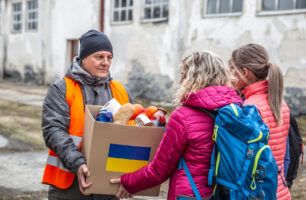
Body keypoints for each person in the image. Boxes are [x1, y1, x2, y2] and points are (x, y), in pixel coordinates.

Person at [111, 51, 243, 200]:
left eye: (184, 76)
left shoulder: (183, 117)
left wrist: (128, 182)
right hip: (226, 194)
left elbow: (159, 171)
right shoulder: (237, 110)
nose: (181, 82)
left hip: (190, 195)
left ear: (195, 78)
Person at [41, 30, 133, 200]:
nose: (106, 63)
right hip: (69, 188)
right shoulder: (62, 89)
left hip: (109, 189)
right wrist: (78, 163)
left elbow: (132, 135)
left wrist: (132, 178)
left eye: (109, 57)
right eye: (99, 57)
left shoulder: (121, 91)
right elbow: (53, 131)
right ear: (83, 58)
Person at [229, 43, 291, 200]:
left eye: (231, 69)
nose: (229, 74)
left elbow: (242, 162)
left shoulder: (249, 108)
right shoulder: (280, 103)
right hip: (279, 190)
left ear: (245, 73)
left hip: (257, 192)